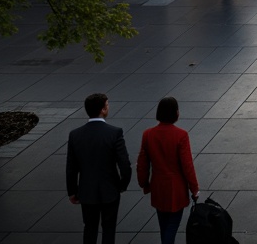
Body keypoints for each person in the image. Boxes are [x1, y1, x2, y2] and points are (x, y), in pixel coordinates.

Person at [66, 92, 131, 244]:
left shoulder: (75, 135)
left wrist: (72, 191)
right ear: (102, 109)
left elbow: (71, 167)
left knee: (89, 228)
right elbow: (124, 164)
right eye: (107, 105)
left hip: (86, 191)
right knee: (109, 229)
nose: (108, 107)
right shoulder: (114, 133)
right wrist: (121, 185)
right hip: (110, 191)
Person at [137, 97, 199, 244]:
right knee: (172, 226)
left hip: (158, 187)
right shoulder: (181, 135)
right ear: (176, 113)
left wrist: (144, 183)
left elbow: (142, 164)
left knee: (163, 225)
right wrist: (194, 188)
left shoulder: (148, 134)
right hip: (176, 188)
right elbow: (187, 165)